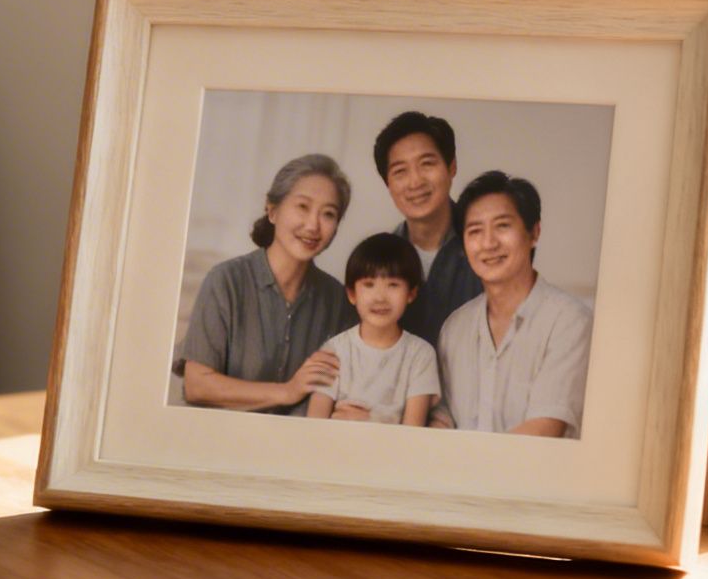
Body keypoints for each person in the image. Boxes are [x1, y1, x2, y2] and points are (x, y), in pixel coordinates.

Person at [179, 154, 357, 415]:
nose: (313, 225)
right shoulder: (226, 281)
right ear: (272, 211)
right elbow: (196, 385)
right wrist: (288, 391)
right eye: (303, 207)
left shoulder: (338, 300)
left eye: (328, 214)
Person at [435, 170, 592, 438]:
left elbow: (544, 428)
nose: (488, 243)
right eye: (475, 231)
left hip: (534, 479)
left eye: (502, 226)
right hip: (459, 477)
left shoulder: (569, 321)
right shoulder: (454, 328)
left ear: (534, 233)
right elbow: (444, 417)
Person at [304, 233, 440, 427]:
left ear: (411, 293)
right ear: (352, 294)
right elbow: (314, 428)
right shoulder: (334, 351)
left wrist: (367, 424)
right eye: (369, 285)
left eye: (393, 285)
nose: (380, 297)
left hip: (395, 457)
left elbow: (413, 436)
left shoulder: (421, 355)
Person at [371, 111, 482, 347]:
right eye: (400, 171)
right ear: (388, 184)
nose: (415, 182)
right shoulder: (377, 260)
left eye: (427, 164)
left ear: (451, 167)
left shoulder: (487, 248)